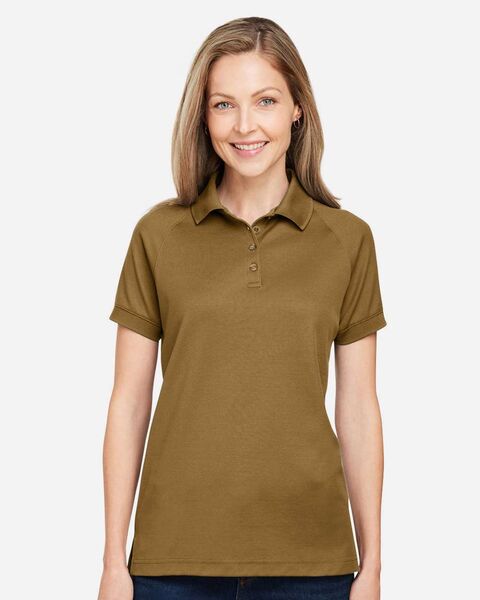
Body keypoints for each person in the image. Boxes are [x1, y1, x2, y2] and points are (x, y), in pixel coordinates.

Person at [98, 16, 387, 600]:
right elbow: (128, 403)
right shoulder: (158, 235)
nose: (245, 125)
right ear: (202, 117)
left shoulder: (347, 240)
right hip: (171, 561)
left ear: (298, 109)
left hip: (313, 564)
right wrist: (112, 562)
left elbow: (359, 405)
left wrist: (374, 564)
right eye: (224, 104)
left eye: (266, 101)